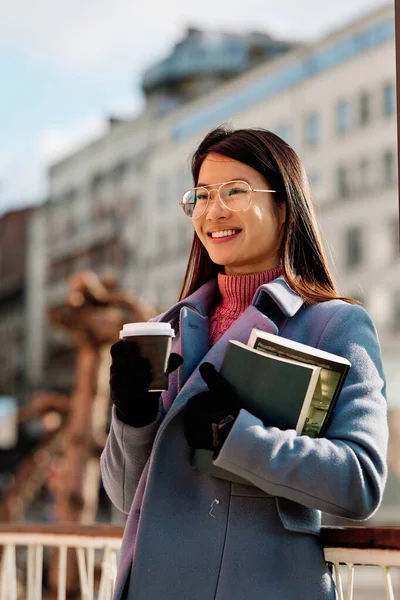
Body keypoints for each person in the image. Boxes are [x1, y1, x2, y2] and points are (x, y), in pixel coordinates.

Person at [101, 126, 388, 600]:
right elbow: (126, 495)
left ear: (284, 206)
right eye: (201, 196)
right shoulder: (165, 329)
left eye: (235, 191)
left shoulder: (335, 325)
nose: (213, 211)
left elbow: (360, 481)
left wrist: (238, 436)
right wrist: (132, 419)